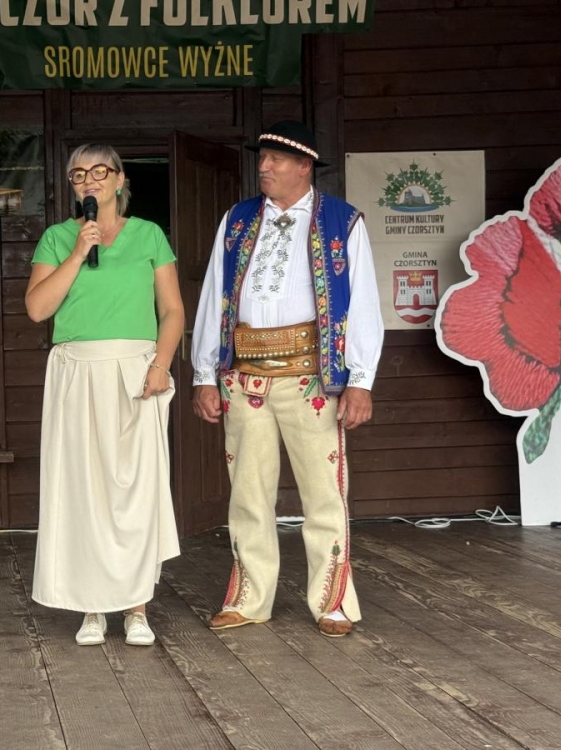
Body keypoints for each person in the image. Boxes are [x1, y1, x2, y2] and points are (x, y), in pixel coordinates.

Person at [190, 121, 383, 638]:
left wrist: (361, 379)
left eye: (275, 158)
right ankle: (249, 599)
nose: (264, 166)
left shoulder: (342, 220)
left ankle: (332, 602)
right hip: (244, 376)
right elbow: (214, 296)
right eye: (262, 158)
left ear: (304, 166)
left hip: (312, 378)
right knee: (248, 495)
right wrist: (204, 373)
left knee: (324, 495)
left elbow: (363, 302)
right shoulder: (237, 219)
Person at [25, 144, 184, 647]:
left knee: (134, 490)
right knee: (83, 490)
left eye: (99, 171)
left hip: (136, 372)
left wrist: (161, 365)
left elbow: (172, 311)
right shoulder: (58, 238)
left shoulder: (149, 234)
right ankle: (91, 606)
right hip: (76, 371)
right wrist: (77, 252)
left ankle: (136, 607)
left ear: (119, 179)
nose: (89, 181)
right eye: (78, 175)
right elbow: (37, 309)